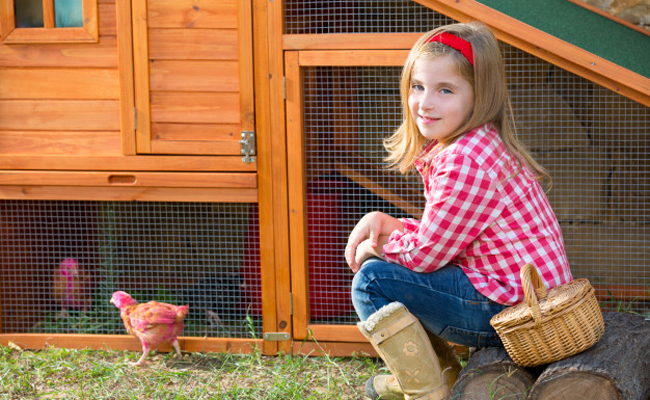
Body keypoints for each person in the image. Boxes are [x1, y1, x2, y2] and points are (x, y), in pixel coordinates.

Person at [346, 22, 573, 400]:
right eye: (417, 87)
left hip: (517, 313)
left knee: (372, 280)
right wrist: (388, 224)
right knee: (389, 270)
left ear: (478, 95)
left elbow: (427, 255)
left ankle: (424, 388)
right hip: (520, 297)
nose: (425, 102)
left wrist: (381, 248)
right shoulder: (479, 143)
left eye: (445, 90)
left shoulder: (465, 158)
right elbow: (451, 233)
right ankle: (441, 375)